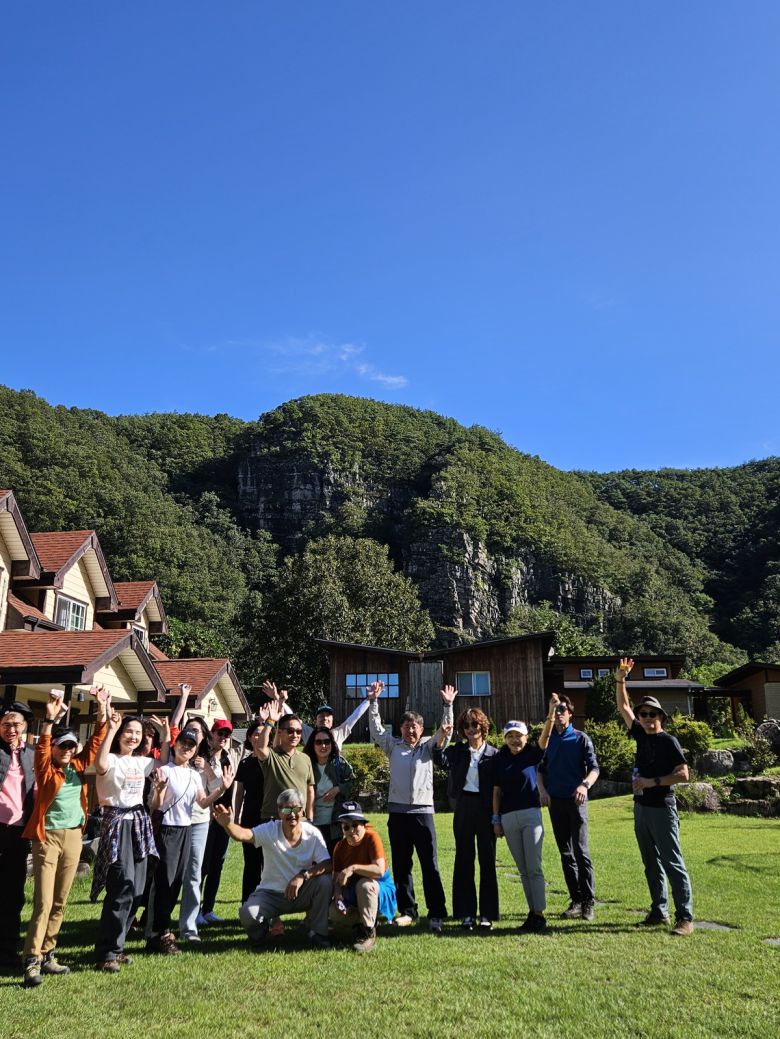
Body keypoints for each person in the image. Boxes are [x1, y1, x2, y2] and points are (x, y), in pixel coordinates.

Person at [21, 690, 108, 986]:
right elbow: (42, 749)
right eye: (62, 747)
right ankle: (32, 960)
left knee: (60, 900)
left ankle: (48, 954)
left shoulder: (79, 768)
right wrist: (48, 720)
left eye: (71, 747)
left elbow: (97, 741)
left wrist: (101, 710)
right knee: (43, 901)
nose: (67, 752)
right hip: (47, 838)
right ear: (55, 747)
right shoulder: (46, 770)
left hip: (73, 836)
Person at [615, 657, 694, 936]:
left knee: (672, 861)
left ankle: (685, 917)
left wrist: (653, 782)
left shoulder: (669, 741)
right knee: (650, 862)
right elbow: (623, 707)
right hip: (641, 808)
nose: (648, 718)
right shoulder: (639, 734)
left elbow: (684, 774)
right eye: (644, 714)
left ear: (661, 717)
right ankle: (659, 912)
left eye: (653, 714)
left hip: (662, 807)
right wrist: (621, 679)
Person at [368, 680, 453, 932]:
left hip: (423, 814)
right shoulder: (393, 746)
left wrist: (448, 706)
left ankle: (436, 912)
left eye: (414, 727)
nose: (410, 731)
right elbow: (375, 729)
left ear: (421, 728)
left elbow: (444, 733)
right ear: (402, 729)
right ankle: (408, 911)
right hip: (398, 814)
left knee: (430, 865)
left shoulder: (428, 747)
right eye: (406, 727)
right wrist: (374, 702)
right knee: (403, 865)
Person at [146, 726, 234, 954]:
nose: (186, 747)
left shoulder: (195, 775)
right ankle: (159, 932)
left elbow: (202, 803)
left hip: (186, 829)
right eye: (183, 742)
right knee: (164, 881)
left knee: (176, 882)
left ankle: (161, 932)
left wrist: (221, 789)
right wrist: (157, 790)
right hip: (167, 830)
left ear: (196, 750)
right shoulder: (164, 770)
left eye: (191, 745)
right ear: (175, 745)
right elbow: (155, 805)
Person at [213, 787, 333, 949]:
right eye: (286, 809)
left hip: (302, 890)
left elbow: (327, 864)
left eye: (296, 809)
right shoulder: (270, 829)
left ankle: (318, 933)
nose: (292, 814)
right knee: (247, 914)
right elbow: (243, 835)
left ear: (303, 810)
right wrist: (228, 824)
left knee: (325, 881)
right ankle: (262, 933)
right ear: (279, 812)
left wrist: (303, 876)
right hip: (272, 895)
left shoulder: (312, 833)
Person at [91, 710, 161, 972]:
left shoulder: (142, 763)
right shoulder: (109, 759)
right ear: (120, 734)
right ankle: (105, 952)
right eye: (128, 731)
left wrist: (165, 734)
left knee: (138, 888)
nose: (133, 736)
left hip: (139, 825)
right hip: (116, 824)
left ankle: (117, 947)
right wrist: (110, 728)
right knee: (121, 886)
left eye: (137, 733)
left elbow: (164, 762)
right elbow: (99, 766)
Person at [433, 705, 498, 930]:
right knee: (464, 860)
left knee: (487, 861)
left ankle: (487, 914)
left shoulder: (493, 754)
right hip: (463, 807)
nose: (471, 729)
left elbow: (500, 787)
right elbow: (439, 757)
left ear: (483, 726)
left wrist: (498, 817)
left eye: (475, 724)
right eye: (467, 725)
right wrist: (442, 735)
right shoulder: (458, 751)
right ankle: (466, 913)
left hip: (486, 809)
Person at [537, 694, 600, 921]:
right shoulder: (549, 738)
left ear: (571, 713)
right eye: (556, 710)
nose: (559, 713)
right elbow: (540, 768)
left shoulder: (582, 739)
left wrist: (584, 785)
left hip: (576, 802)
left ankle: (588, 903)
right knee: (566, 854)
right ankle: (575, 900)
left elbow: (594, 768)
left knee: (581, 851)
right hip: (556, 802)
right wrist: (542, 791)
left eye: (563, 709)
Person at [492, 720, 547, 933]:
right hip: (508, 817)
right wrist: (496, 819)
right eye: (510, 736)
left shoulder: (533, 754)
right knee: (523, 870)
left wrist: (551, 715)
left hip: (531, 815)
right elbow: (496, 792)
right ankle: (532, 913)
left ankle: (539, 914)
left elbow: (545, 738)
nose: (515, 740)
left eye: (519, 736)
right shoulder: (500, 759)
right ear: (505, 739)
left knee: (534, 866)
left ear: (526, 737)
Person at [329, 800, 396, 953]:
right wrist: (338, 895)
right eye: (346, 826)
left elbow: (379, 870)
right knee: (332, 911)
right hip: (353, 891)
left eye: (355, 825)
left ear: (363, 825)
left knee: (365, 885)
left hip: (378, 887)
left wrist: (353, 868)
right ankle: (363, 921)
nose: (351, 830)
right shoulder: (339, 847)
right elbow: (336, 879)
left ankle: (368, 933)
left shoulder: (372, 837)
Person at [0, 700, 35, 969]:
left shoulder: (31, 755)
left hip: (18, 832)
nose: (11, 728)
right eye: (5, 724)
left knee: (13, 894)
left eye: (16, 724)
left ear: (24, 727)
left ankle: (7, 950)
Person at [196, 717, 240, 927]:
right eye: (219, 733)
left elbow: (227, 786)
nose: (223, 738)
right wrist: (206, 768)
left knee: (217, 865)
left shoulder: (229, 758)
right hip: (205, 818)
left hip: (224, 818)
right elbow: (210, 786)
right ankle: (195, 911)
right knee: (202, 866)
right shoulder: (200, 758)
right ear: (211, 734)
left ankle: (209, 909)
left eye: (227, 734)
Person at [254, 697, 316, 822]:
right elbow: (260, 748)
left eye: (298, 731)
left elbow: (310, 789)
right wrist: (270, 721)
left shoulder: (305, 758)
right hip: (273, 818)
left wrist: (309, 818)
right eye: (290, 731)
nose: (295, 735)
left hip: (299, 819)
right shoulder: (272, 756)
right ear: (280, 732)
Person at [303, 725, 356, 853]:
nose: (323, 746)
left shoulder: (339, 763)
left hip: (335, 825)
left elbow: (354, 783)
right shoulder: (305, 763)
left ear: (332, 744)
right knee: (314, 864)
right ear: (312, 744)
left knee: (334, 863)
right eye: (318, 742)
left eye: (327, 742)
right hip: (311, 823)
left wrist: (339, 788)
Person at [274, 682, 369, 751]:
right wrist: (280, 700)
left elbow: (355, 717)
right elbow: (292, 717)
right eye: (321, 715)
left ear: (332, 721)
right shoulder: (309, 733)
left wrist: (369, 700)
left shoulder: (338, 733)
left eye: (328, 716)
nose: (325, 718)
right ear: (315, 721)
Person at [233, 719, 266, 902]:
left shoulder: (271, 761)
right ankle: (247, 902)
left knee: (268, 864)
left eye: (263, 734)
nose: (260, 737)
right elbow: (239, 793)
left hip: (269, 818)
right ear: (249, 737)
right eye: (256, 734)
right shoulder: (245, 763)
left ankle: (267, 906)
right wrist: (236, 817)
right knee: (251, 864)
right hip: (250, 818)